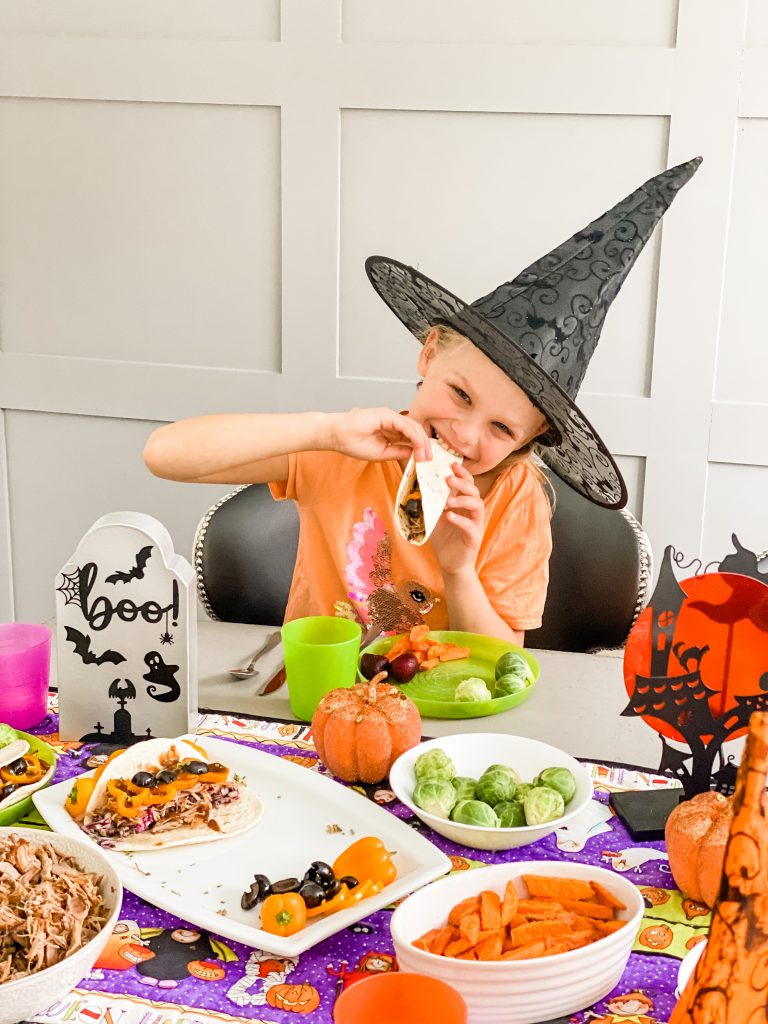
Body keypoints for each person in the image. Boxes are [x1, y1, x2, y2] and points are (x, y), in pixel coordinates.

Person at [144, 157, 701, 647]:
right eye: (460, 393)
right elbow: (165, 454)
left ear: (531, 439)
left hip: (441, 725)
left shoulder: (516, 500)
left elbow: (504, 659)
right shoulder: (343, 450)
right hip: (321, 704)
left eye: (502, 429)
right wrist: (324, 431)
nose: (464, 435)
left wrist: (458, 568)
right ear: (429, 353)